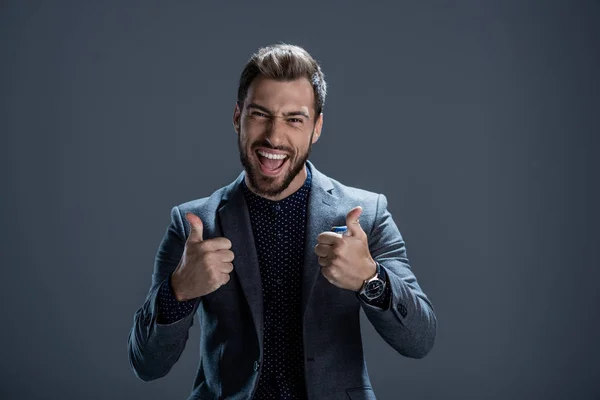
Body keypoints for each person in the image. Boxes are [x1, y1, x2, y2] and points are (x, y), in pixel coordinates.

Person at [128, 43, 436, 400]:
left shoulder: (367, 215)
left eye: (294, 119)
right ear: (236, 117)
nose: (274, 136)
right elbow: (146, 364)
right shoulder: (193, 223)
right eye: (260, 114)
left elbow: (420, 339)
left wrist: (372, 279)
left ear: (316, 127)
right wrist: (177, 291)